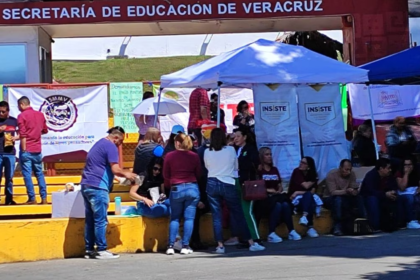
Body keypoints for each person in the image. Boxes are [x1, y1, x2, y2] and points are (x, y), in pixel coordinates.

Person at [80, 126, 137, 260]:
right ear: (116, 138)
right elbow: (116, 169)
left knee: (90, 220)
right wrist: (127, 173)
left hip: (87, 185)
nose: (121, 144)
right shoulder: (110, 146)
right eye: (121, 141)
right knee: (100, 220)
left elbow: (105, 169)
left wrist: (119, 178)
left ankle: (89, 249)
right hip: (98, 187)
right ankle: (101, 249)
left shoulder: (99, 144)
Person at [205, 128, 265, 253]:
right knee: (238, 214)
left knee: (216, 216)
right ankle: (251, 242)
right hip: (228, 182)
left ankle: (220, 245)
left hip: (212, 182)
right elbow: (236, 167)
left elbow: (207, 166)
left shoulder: (207, 151)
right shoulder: (231, 150)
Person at [163, 133, 201, 255]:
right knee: (189, 218)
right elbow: (199, 173)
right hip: (192, 187)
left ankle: (170, 246)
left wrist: (170, 184)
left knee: (174, 218)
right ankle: (185, 246)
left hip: (176, 188)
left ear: (177, 143)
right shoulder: (194, 156)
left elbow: (166, 175)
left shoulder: (169, 156)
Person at [255, 147, 302, 242]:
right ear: (261, 156)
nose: (269, 157)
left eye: (270, 154)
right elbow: (257, 186)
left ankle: (291, 231)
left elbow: (279, 184)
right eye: (267, 155)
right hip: (265, 199)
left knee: (285, 205)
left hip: (276, 196)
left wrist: (279, 189)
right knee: (277, 205)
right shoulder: (259, 171)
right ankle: (271, 233)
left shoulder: (274, 169)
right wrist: (270, 190)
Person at [223, 126, 261, 246]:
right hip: (236, 182)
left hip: (247, 183)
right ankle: (245, 238)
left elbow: (256, 166)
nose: (236, 139)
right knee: (239, 212)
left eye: (238, 136)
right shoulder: (234, 149)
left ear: (245, 137)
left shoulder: (250, 149)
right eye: (235, 137)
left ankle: (255, 238)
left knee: (247, 211)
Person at [17, 96, 48, 204]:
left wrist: (24, 149)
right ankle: (44, 198)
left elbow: (23, 134)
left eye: (19, 106)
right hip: (38, 149)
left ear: (22, 104)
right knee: (39, 173)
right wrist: (35, 134)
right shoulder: (40, 115)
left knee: (27, 175)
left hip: (27, 149)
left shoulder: (22, 116)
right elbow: (45, 130)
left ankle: (32, 197)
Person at [323, 159, 367, 236]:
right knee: (338, 200)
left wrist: (354, 191)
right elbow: (333, 192)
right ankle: (337, 225)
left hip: (346, 196)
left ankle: (363, 221)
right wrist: (346, 191)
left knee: (359, 198)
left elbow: (353, 187)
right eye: (346, 169)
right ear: (340, 168)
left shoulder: (352, 174)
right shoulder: (331, 175)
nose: (348, 172)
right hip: (330, 198)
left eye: (350, 170)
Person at [360, 158, 399, 232]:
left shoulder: (389, 176)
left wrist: (393, 192)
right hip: (368, 197)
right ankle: (375, 225)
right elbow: (370, 191)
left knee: (397, 198)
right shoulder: (371, 176)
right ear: (381, 168)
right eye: (388, 168)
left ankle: (397, 223)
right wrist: (385, 194)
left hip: (382, 196)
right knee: (373, 200)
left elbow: (394, 186)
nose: (390, 170)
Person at [288, 156, 319, 238]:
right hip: (294, 201)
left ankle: (304, 217)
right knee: (309, 198)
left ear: (309, 167)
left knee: (309, 197)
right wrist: (313, 181)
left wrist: (298, 192)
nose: (301, 164)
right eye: (301, 162)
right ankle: (310, 227)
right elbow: (305, 186)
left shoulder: (311, 175)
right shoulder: (297, 172)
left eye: (304, 163)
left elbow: (312, 192)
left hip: (305, 200)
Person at [0, 101, 18, 205]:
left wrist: (15, 137)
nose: (1, 114)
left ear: (8, 111)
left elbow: (22, 133)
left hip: (10, 153)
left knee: (9, 177)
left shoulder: (13, 121)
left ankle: (9, 199)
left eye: (3, 112)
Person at [394, 157, 420, 229]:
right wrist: (406, 174)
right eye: (405, 165)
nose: (408, 167)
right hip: (403, 194)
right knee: (410, 198)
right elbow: (402, 187)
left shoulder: (417, 171)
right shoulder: (399, 173)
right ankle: (411, 221)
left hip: (415, 191)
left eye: (410, 165)